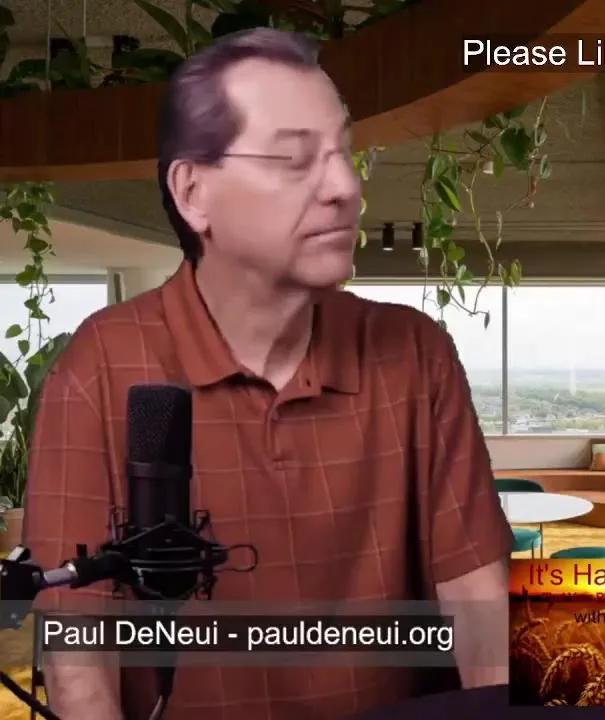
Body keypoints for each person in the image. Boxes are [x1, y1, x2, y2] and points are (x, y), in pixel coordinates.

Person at [22, 28, 512, 720]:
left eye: (344, 153)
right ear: (193, 191)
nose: (346, 188)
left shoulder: (414, 351)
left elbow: (480, 607)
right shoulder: (98, 367)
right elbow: (79, 648)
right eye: (293, 158)